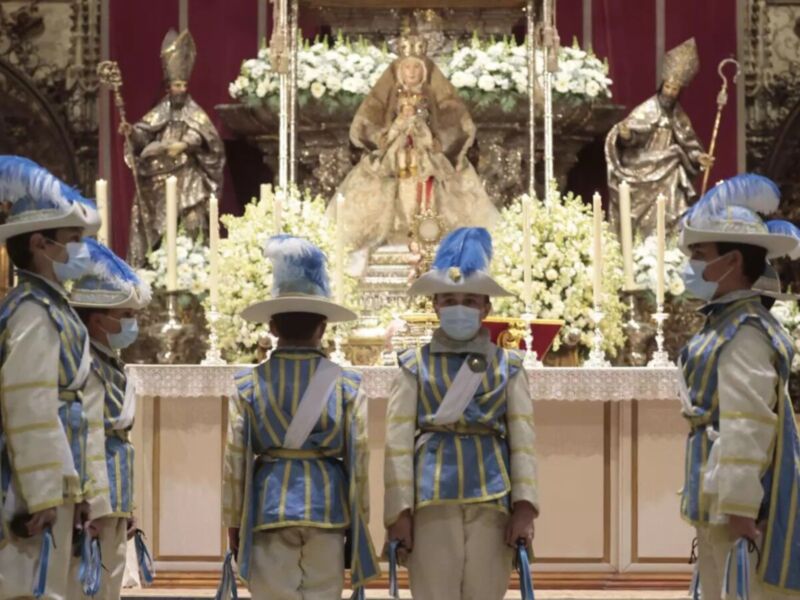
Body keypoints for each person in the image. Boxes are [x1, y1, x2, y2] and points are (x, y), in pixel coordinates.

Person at [384, 227, 539, 600]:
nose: (459, 308)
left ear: (486, 308)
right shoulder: (413, 366)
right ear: (435, 305)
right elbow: (397, 446)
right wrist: (399, 513)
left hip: (493, 498)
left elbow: (523, 442)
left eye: (470, 300)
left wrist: (524, 508)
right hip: (430, 499)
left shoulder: (508, 366)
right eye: (450, 299)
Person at [222, 236, 380, 600]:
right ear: (323, 327)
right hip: (328, 509)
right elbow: (358, 458)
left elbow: (235, 459)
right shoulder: (346, 385)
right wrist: (359, 520)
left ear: (272, 328)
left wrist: (234, 520)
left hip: (269, 507)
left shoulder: (248, 385)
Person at [677, 173, 800, 599]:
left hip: (732, 506)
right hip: (714, 497)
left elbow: (747, 424)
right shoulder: (726, 323)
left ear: (731, 260)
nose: (691, 263)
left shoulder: (744, 332)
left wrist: (740, 506)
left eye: (700, 253)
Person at [0, 156, 110, 600]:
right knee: (30, 589)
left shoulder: (51, 306)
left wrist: (78, 489)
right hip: (30, 490)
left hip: (57, 479)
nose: (82, 250)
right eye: (74, 240)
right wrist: (44, 493)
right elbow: (29, 402)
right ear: (40, 243)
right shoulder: (32, 309)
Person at [330, 33, 498, 276]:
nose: (411, 73)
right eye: (407, 67)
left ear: (424, 71)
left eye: (416, 68)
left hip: (426, 155)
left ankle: (430, 238)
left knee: (435, 187)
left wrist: (428, 135)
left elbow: (449, 123)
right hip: (396, 154)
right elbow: (375, 125)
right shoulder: (391, 95)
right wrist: (397, 125)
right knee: (386, 187)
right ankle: (396, 236)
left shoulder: (432, 95)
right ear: (400, 71)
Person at [67, 239, 152, 600]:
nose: (132, 323)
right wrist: (95, 505)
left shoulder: (109, 362)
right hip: (96, 502)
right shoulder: (87, 365)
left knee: (109, 584)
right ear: (98, 320)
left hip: (115, 495)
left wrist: (126, 506)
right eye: (125, 315)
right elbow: (87, 436)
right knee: (91, 586)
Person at [124, 28, 225, 266]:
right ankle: (156, 266)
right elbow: (144, 132)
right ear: (168, 87)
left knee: (192, 219)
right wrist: (132, 132)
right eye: (177, 85)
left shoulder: (193, 111)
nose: (181, 89)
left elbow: (205, 134)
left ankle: (193, 264)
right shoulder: (161, 110)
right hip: (158, 179)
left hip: (188, 177)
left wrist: (185, 143)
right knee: (157, 228)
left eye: (184, 85)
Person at [605, 38, 713, 235]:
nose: (670, 92)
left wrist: (699, 157)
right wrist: (626, 136)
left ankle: (668, 239)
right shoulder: (646, 109)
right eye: (668, 87)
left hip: (669, 170)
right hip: (642, 166)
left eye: (674, 89)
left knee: (675, 161)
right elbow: (631, 137)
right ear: (662, 85)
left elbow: (688, 143)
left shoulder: (678, 116)